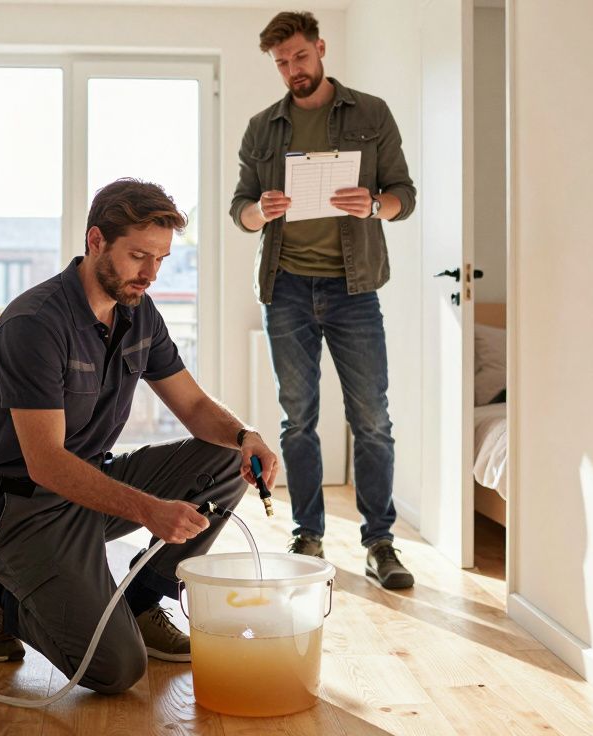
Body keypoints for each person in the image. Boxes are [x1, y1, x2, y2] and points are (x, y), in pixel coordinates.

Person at [0, 178, 280, 694]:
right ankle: (4, 595)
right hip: (23, 509)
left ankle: (139, 603)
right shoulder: (34, 324)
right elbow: (45, 463)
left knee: (226, 459)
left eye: (161, 258)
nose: (152, 273)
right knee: (116, 670)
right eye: (138, 256)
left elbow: (197, 408)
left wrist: (246, 435)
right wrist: (148, 510)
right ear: (95, 242)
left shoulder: (139, 313)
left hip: (90, 485)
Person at [229, 11, 417, 589]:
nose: (293, 71)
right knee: (297, 421)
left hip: (353, 288)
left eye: (300, 58)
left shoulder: (371, 113)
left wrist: (374, 205)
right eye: (282, 63)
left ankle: (379, 543)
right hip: (284, 289)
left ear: (321, 49)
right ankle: (307, 533)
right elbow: (239, 210)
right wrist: (262, 211)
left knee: (372, 420)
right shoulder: (263, 127)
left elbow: (404, 195)